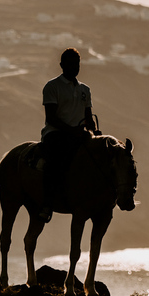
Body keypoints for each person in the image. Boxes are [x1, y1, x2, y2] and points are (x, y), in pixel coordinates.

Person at [39, 48, 96, 222]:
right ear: (62, 65)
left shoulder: (85, 89)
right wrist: (72, 130)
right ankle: (46, 203)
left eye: (77, 64)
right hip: (56, 134)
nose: (74, 67)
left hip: (78, 134)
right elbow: (51, 118)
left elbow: (88, 117)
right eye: (71, 64)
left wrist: (94, 130)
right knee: (55, 162)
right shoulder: (52, 87)